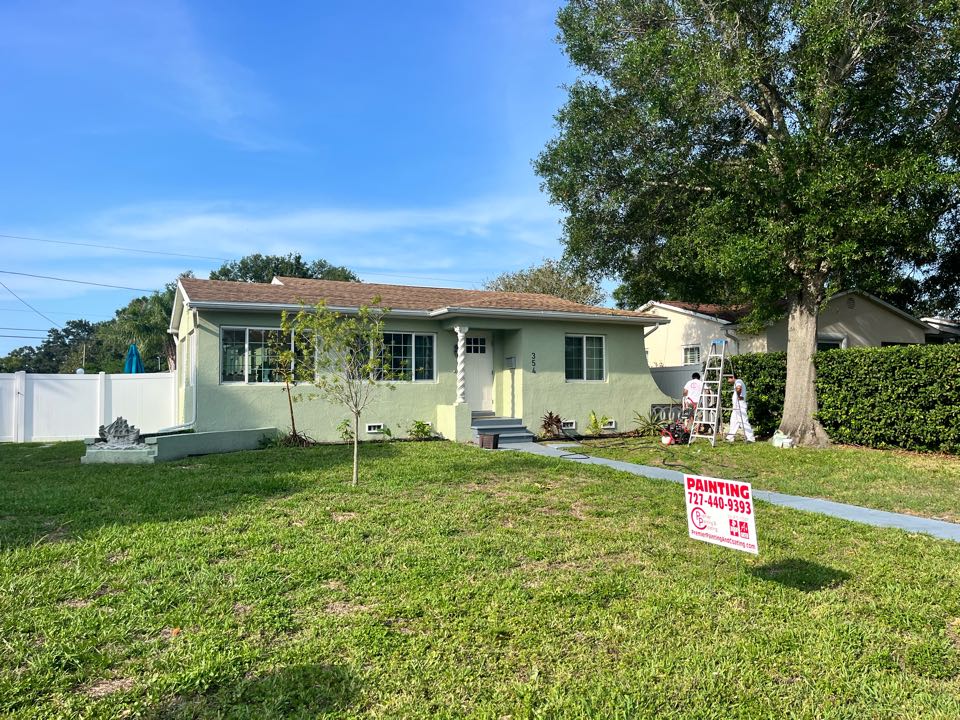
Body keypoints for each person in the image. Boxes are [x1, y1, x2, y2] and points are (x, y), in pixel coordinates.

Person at [725, 372, 755, 442]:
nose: (727, 380)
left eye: (728, 378)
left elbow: (739, 388)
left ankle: (751, 438)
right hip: (736, 406)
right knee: (734, 421)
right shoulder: (737, 382)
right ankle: (730, 437)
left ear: (732, 377)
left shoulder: (738, 381)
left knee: (743, 421)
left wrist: (739, 396)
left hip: (740, 405)